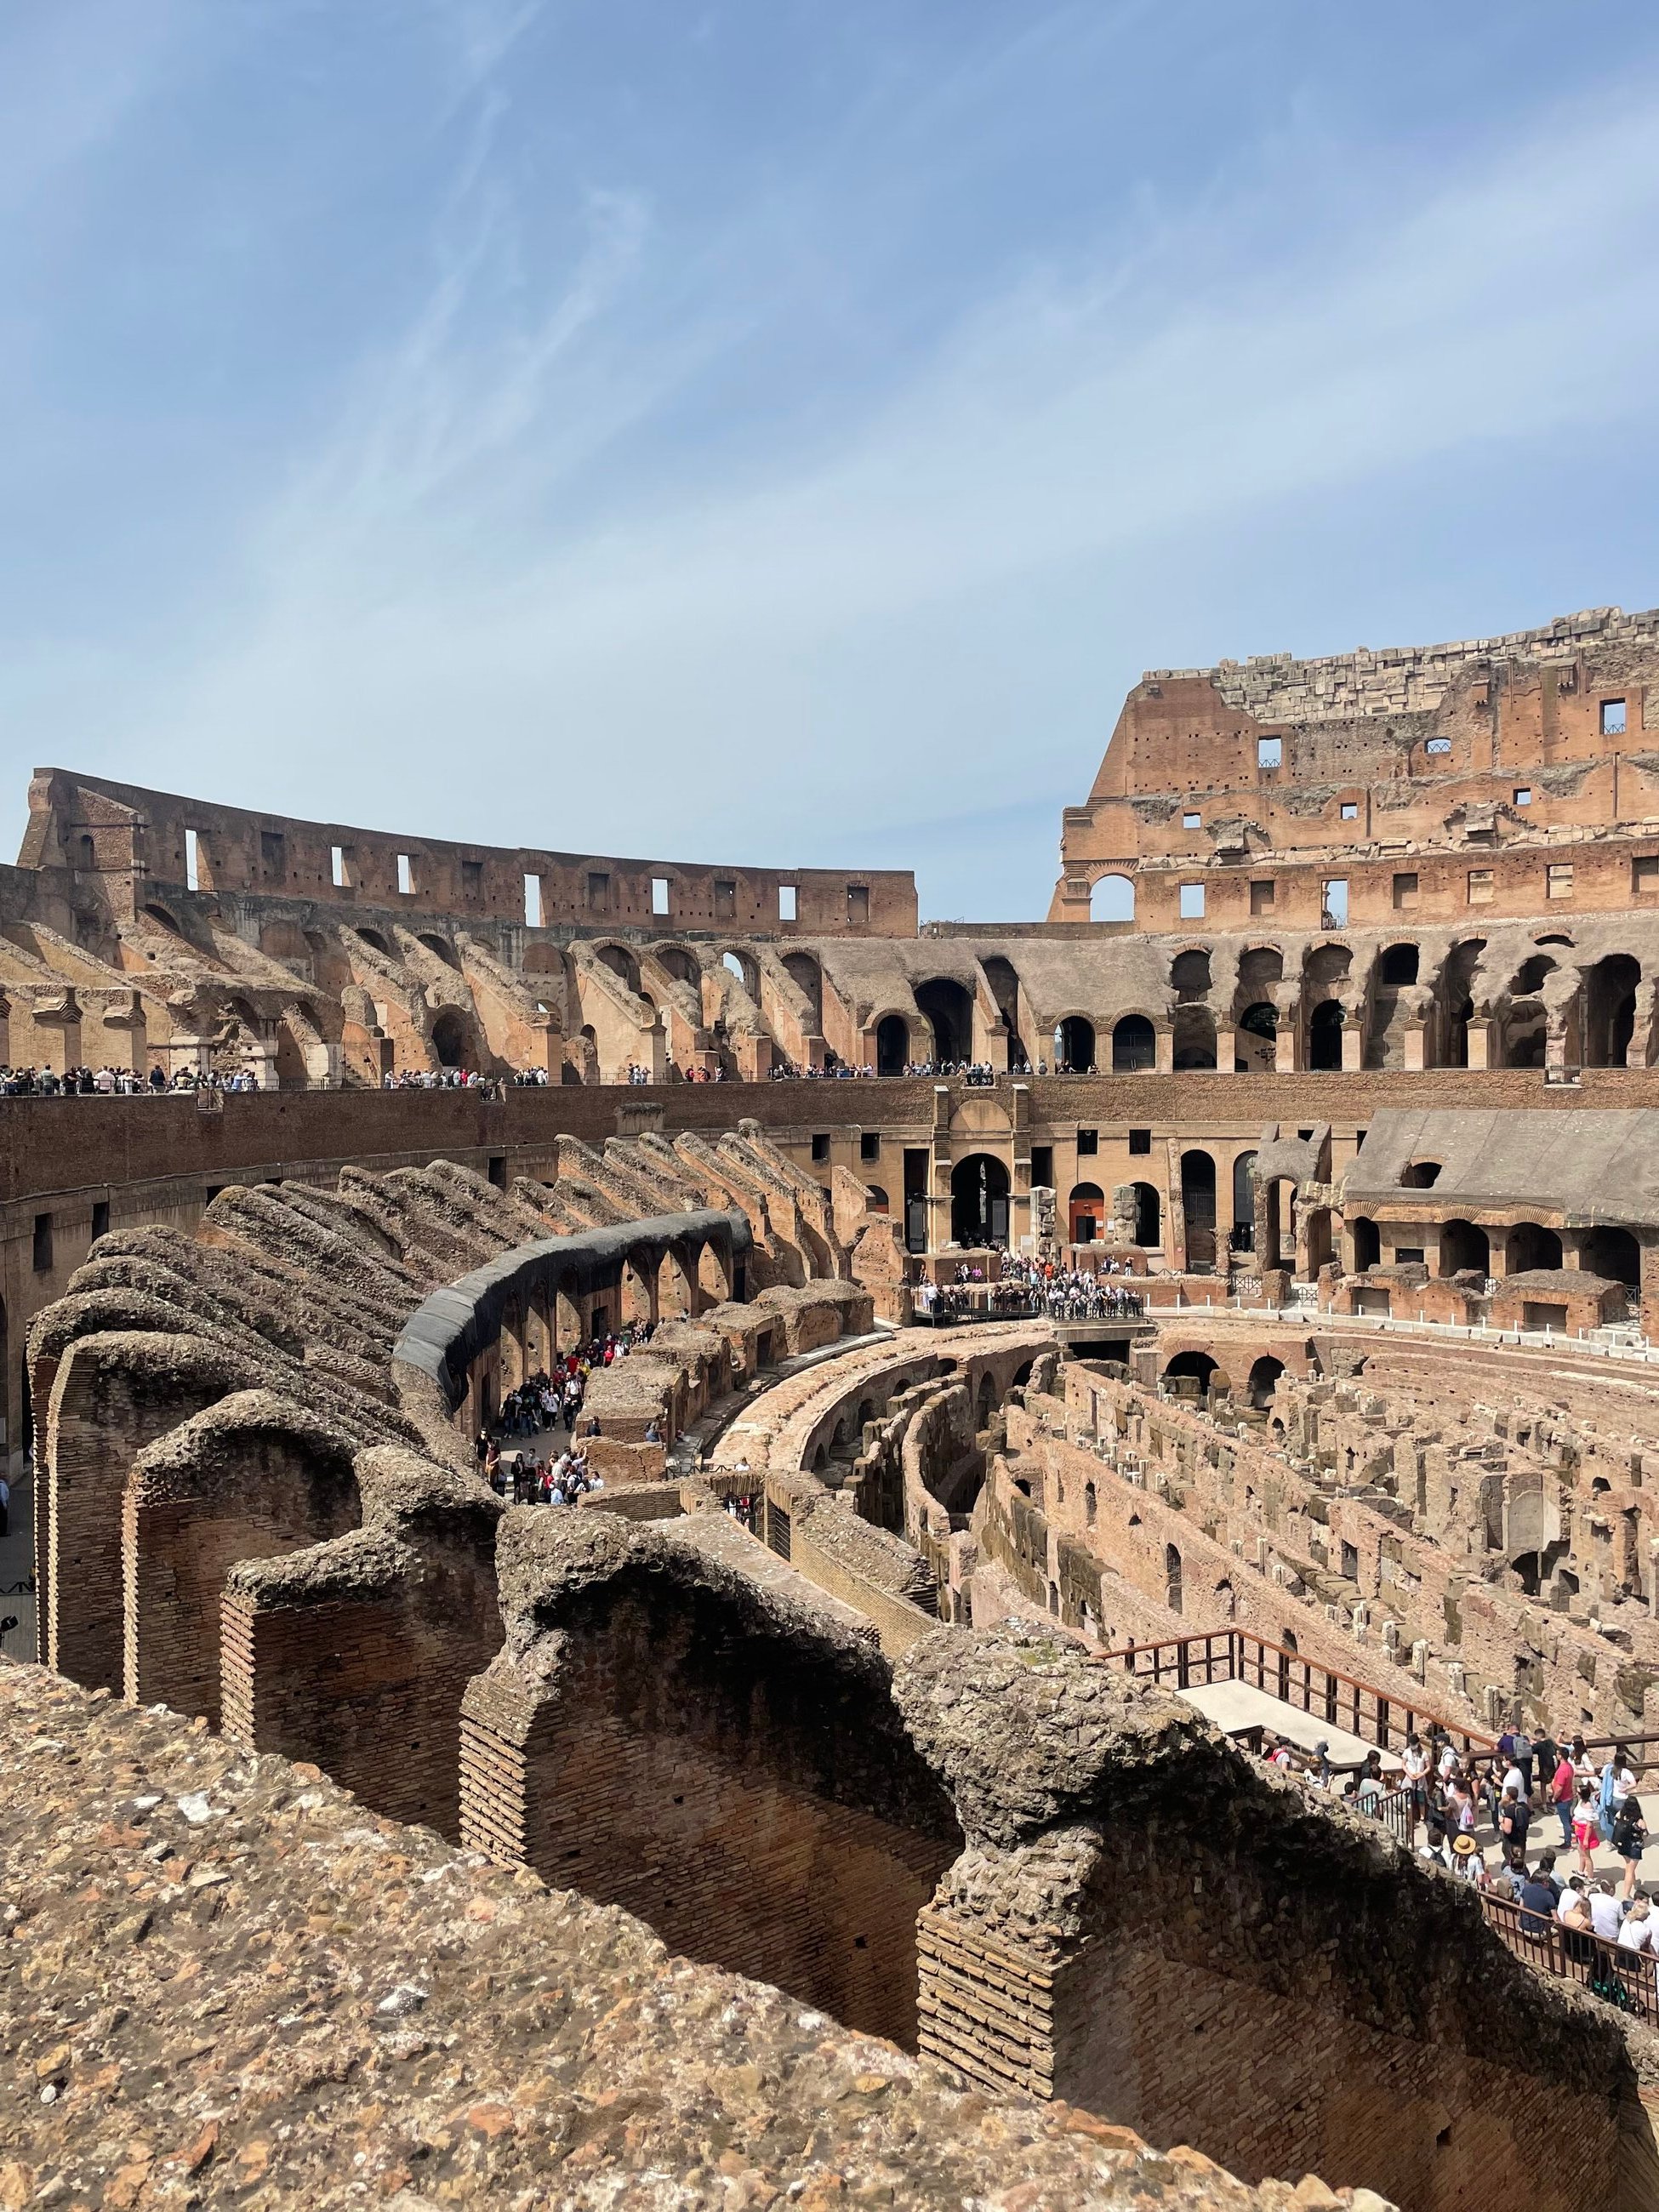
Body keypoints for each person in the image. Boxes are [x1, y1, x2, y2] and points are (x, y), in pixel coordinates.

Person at [1612, 1793, 1648, 1900]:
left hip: (1623, 1845)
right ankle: (1626, 1895)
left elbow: (1615, 1823)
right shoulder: (1639, 1821)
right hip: (1634, 1848)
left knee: (1629, 1866)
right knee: (1629, 1870)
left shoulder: (1620, 1814)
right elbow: (1645, 1834)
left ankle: (1635, 1883)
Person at [1549, 1745, 1577, 1852]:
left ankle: (1567, 1842)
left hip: (1563, 1798)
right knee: (1568, 1818)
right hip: (1569, 1796)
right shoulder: (1569, 1767)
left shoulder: (1562, 1770)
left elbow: (1559, 1788)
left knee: (1565, 1821)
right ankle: (1573, 1836)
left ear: (1560, 1756)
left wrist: (1554, 1798)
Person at [1573, 1779, 1602, 1877]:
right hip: (1578, 1830)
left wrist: (1586, 1839)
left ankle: (1590, 1877)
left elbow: (1590, 1824)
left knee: (1587, 1856)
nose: (1576, 1793)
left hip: (1584, 1832)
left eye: (1578, 1792)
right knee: (1580, 1852)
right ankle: (1581, 1871)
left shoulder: (1588, 1806)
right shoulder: (1581, 1801)